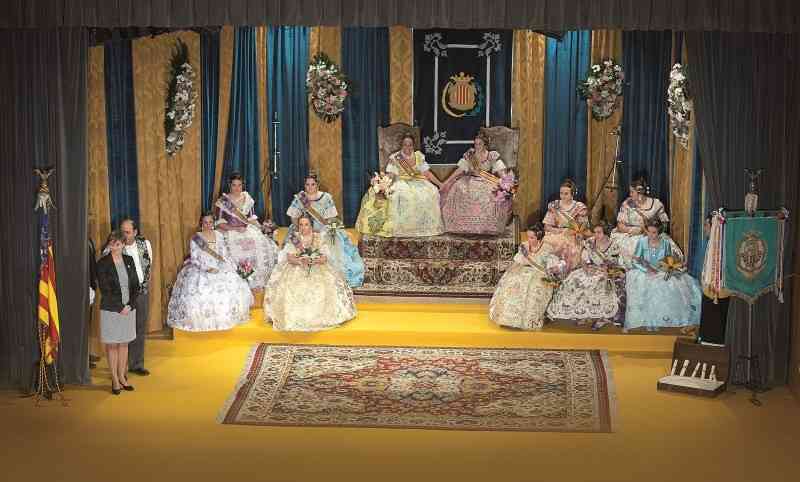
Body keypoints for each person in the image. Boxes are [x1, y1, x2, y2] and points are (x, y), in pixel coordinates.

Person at [264, 214, 357, 331]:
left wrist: (313, 260)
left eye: (306, 224)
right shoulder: (294, 238)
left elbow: (324, 258)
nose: (303, 227)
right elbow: (289, 257)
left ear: (311, 226)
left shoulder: (318, 238)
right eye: (301, 225)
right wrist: (300, 261)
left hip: (317, 267)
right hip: (297, 268)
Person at [166, 213, 254, 332]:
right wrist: (207, 268)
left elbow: (223, 254)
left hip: (219, 265)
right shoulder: (196, 238)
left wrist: (231, 265)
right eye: (205, 222)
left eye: (210, 222)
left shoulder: (219, 235)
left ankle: (225, 319)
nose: (208, 225)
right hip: (201, 267)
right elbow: (195, 258)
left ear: (213, 223)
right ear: (201, 223)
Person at [355, 133, 444, 237]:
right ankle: (401, 227)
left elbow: (427, 173)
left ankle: (423, 227)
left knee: (431, 192)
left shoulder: (419, 156)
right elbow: (391, 175)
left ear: (413, 145)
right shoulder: (395, 157)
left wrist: (439, 184)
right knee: (399, 194)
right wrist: (383, 183)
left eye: (410, 145)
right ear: (401, 145)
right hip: (401, 182)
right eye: (405, 144)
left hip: (417, 181)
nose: (408, 147)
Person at [286, 173, 365, 287]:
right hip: (304, 228)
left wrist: (321, 231)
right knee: (294, 247)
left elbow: (330, 219)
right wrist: (300, 230)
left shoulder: (326, 197)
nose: (310, 187)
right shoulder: (301, 197)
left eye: (313, 184)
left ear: (317, 185)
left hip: (323, 229)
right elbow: (293, 216)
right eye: (307, 184)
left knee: (331, 247)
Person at [625, 219, 702, 331]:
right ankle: (648, 320)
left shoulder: (666, 243)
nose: (651, 235)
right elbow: (634, 261)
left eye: (654, 232)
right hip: (645, 272)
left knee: (672, 285)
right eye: (649, 231)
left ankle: (664, 319)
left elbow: (669, 260)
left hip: (661, 272)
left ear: (659, 232)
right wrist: (646, 270)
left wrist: (668, 269)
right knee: (646, 285)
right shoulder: (642, 242)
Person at [547, 223, 624, 330]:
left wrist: (603, 269)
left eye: (599, 232)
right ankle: (583, 314)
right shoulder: (590, 242)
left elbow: (613, 263)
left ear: (606, 233)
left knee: (597, 282)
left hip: (605, 271)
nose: (596, 235)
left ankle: (601, 316)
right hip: (590, 268)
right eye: (594, 232)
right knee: (575, 279)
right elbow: (582, 259)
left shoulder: (613, 245)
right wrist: (586, 268)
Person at [489, 223, 565, 330]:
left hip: (539, 273)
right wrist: (510, 271)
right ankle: (508, 318)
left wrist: (552, 270)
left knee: (533, 286)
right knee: (513, 283)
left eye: (532, 237)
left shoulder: (547, 248)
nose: (529, 240)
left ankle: (526, 320)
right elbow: (518, 261)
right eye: (528, 237)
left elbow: (552, 265)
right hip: (523, 270)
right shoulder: (524, 246)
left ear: (539, 237)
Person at [439, 132, 513, 235]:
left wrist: (507, 182)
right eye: (475, 144)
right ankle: (463, 225)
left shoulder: (491, 155)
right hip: (470, 180)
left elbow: (501, 171)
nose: (477, 146)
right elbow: (459, 170)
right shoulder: (470, 155)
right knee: (458, 188)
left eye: (480, 144)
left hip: (486, 181)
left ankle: (487, 226)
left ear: (485, 145)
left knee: (491, 194)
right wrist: (446, 182)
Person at [215, 172, 279, 290]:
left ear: (242, 185)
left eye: (239, 185)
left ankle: (254, 279)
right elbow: (220, 223)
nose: (237, 188)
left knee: (260, 245)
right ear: (229, 185)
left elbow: (251, 219)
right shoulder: (224, 201)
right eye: (234, 185)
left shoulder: (247, 198)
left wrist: (262, 228)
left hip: (247, 230)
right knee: (237, 251)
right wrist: (235, 229)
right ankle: (243, 281)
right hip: (231, 231)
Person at [96, 231, 139, 395]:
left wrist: (130, 304)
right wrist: (120, 307)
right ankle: (114, 379)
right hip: (112, 309)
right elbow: (105, 289)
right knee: (113, 344)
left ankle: (122, 376)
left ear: (123, 245)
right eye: (112, 243)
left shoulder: (129, 260)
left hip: (129, 309)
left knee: (124, 343)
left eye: (118, 244)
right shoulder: (103, 263)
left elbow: (135, 285)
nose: (115, 246)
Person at [117, 218, 153, 377]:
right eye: (122, 231)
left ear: (135, 232)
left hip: (141, 292)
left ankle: (136, 364)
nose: (124, 235)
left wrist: (143, 284)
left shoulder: (145, 244)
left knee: (139, 328)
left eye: (127, 232)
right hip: (124, 295)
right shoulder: (116, 246)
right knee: (124, 330)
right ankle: (121, 367)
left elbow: (149, 264)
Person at [611, 178, 670, 267]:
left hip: (653, 234)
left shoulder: (656, 204)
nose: (630, 194)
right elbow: (620, 225)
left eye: (632, 192)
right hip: (631, 235)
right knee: (633, 247)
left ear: (640, 192)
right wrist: (632, 230)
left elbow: (664, 224)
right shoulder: (627, 203)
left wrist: (651, 231)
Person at [542, 179, 589, 271]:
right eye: (561, 193)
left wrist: (571, 232)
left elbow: (583, 228)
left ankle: (564, 269)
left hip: (573, 236)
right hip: (555, 234)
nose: (563, 196)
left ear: (572, 194)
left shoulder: (580, 207)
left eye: (566, 194)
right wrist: (559, 231)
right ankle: (553, 269)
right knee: (549, 245)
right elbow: (546, 226)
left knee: (571, 249)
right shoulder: (554, 205)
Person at [697, 213, 729, 345]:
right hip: (708, 289)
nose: (704, 228)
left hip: (718, 291)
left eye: (706, 225)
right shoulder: (710, 243)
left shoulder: (722, 247)